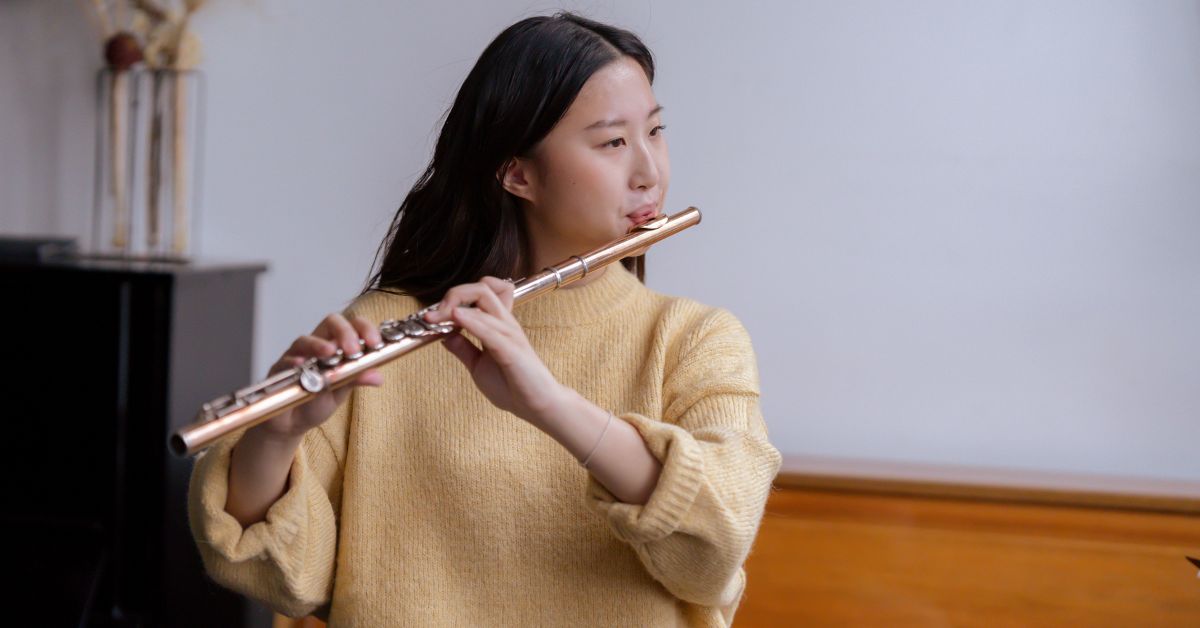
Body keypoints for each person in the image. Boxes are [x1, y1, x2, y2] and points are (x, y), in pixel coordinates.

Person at [188, 11, 782, 627]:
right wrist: (275, 437)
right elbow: (280, 576)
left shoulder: (696, 340)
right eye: (613, 142)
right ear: (517, 173)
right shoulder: (386, 325)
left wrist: (547, 403)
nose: (649, 173)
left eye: (654, 133)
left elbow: (716, 546)